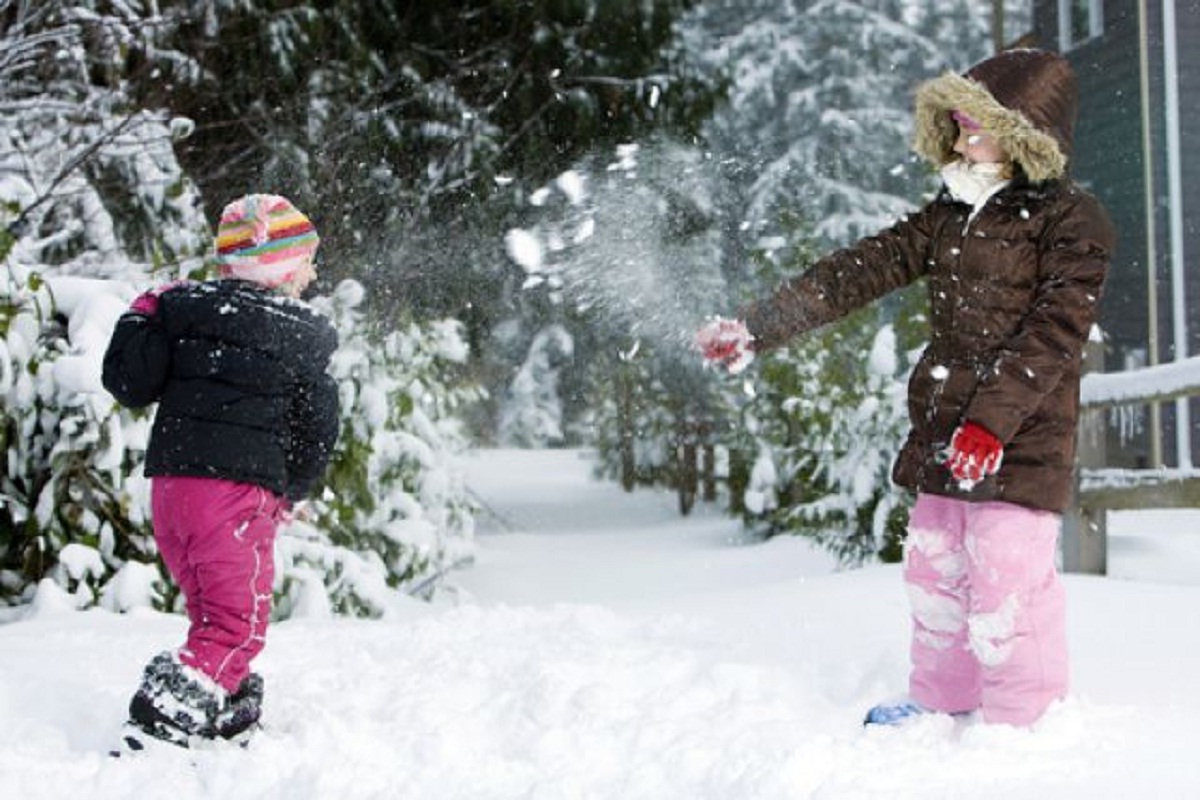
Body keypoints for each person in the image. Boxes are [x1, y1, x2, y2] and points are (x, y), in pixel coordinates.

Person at [695, 49, 1114, 728]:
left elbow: (1052, 335)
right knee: (935, 566)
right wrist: (756, 329)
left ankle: (1025, 720)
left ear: (1023, 129)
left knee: (1005, 573)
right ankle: (944, 702)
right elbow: (855, 272)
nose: (961, 134)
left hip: (1024, 433)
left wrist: (992, 426)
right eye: (956, 121)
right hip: (948, 429)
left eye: (977, 122)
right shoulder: (948, 214)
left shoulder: (1072, 221)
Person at [102, 193, 340, 748]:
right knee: (239, 620)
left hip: (172, 491)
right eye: (306, 258)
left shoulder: (182, 313)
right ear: (282, 267)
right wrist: (294, 489)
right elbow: (317, 428)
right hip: (238, 495)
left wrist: (141, 315)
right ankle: (165, 712)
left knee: (211, 606)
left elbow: (130, 384)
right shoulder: (300, 336)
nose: (312, 270)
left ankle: (225, 700)